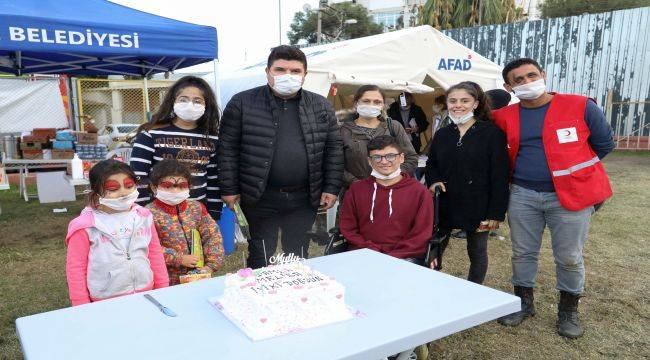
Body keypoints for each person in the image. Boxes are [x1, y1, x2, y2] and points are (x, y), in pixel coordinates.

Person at [494, 58, 615, 338]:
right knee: (522, 252)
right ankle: (524, 303)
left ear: (543, 75)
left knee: (570, 257)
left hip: (570, 197)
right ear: (508, 87)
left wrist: (578, 176)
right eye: (518, 80)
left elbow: (604, 143)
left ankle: (568, 311)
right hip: (522, 195)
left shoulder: (581, 105)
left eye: (531, 75)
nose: (527, 82)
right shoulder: (504, 116)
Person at [218, 45, 344, 269]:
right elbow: (227, 148)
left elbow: (333, 148)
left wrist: (331, 187)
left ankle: (294, 294)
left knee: (297, 250)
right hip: (259, 194)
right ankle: (259, 292)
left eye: (295, 71)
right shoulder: (242, 103)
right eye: (280, 69)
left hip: (305, 195)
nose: (288, 76)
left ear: (305, 75)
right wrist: (229, 188)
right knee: (261, 250)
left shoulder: (321, 106)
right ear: (268, 72)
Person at [424, 82, 509, 284]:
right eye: (452, 100)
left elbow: (500, 175)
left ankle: (474, 290)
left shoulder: (491, 133)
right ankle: (429, 283)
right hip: (445, 201)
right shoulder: (443, 134)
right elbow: (431, 163)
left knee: (477, 251)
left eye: (465, 100)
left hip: (478, 203)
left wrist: (496, 213)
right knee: (435, 247)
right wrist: (433, 180)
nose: (458, 105)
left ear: (476, 103)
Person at [65, 160, 169, 306]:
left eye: (129, 185)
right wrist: (80, 303)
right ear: (96, 192)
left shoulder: (144, 217)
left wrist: (162, 287)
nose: (123, 192)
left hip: (146, 293)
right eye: (113, 188)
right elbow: (75, 268)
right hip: (105, 301)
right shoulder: (85, 226)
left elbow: (155, 254)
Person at [130, 76, 222, 221]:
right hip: (158, 212)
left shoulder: (213, 138)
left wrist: (213, 214)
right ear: (173, 101)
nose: (190, 104)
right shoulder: (150, 134)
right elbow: (139, 176)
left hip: (197, 212)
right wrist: (142, 211)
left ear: (207, 105)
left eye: (197, 101)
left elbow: (213, 178)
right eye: (183, 99)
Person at [339, 135, 433, 260]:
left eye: (390, 156)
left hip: (404, 257)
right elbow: (348, 228)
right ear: (369, 161)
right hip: (363, 254)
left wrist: (391, 258)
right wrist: (370, 250)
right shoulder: (356, 190)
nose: (384, 161)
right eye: (377, 157)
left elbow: (420, 235)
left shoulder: (419, 192)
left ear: (401, 158)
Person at [146, 159, 224, 285]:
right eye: (167, 185)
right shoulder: (148, 214)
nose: (175, 191)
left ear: (189, 186)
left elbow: (212, 236)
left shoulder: (197, 208)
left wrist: (210, 266)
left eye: (181, 186)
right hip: (166, 280)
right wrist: (179, 258)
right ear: (154, 187)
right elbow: (148, 247)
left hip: (199, 276)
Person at [341, 85, 418, 198]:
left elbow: (411, 158)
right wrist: (359, 184)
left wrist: (391, 178)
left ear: (382, 105)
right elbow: (336, 166)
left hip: (392, 194)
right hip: (357, 195)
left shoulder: (393, 127)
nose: (371, 105)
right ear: (356, 103)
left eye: (377, 102)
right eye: (366, 101)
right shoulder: (343, 131)